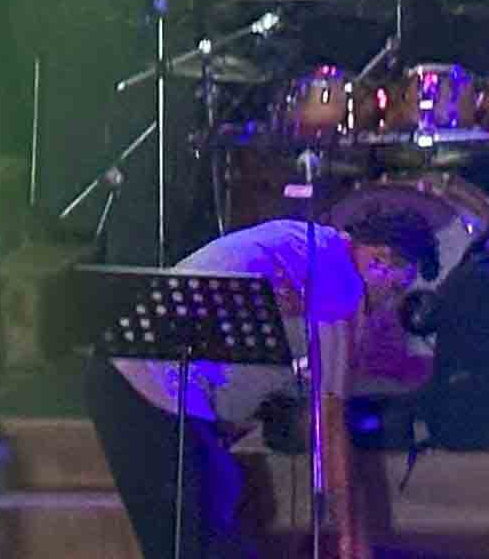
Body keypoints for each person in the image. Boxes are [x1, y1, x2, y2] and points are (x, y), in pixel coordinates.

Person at [86, 200, 447, 559]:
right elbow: (330, 425)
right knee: (197, 539)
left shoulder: (304, 241)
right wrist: (353, 539)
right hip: (143, 386)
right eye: (395, 290)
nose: (388, 306)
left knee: (218, 498)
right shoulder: (339, 283)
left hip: (129, 378)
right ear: (381, 261)